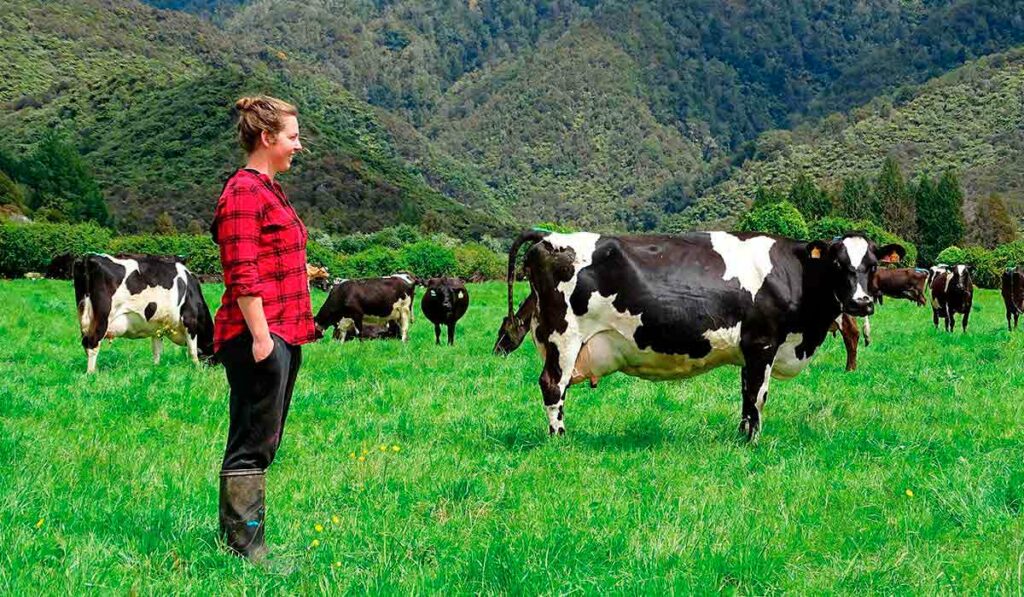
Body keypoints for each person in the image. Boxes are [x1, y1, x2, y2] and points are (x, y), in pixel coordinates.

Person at [211, 95, 316, 559]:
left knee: (263, 439)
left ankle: (246, 539)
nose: (299, 145)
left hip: (283, 333)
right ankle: (245, 547)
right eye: (292, 137)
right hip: (259, 334)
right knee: (252, 443)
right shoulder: (244, 191)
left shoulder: (270, 189)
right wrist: (260, 339)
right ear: (267, 138)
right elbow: (241, 270)